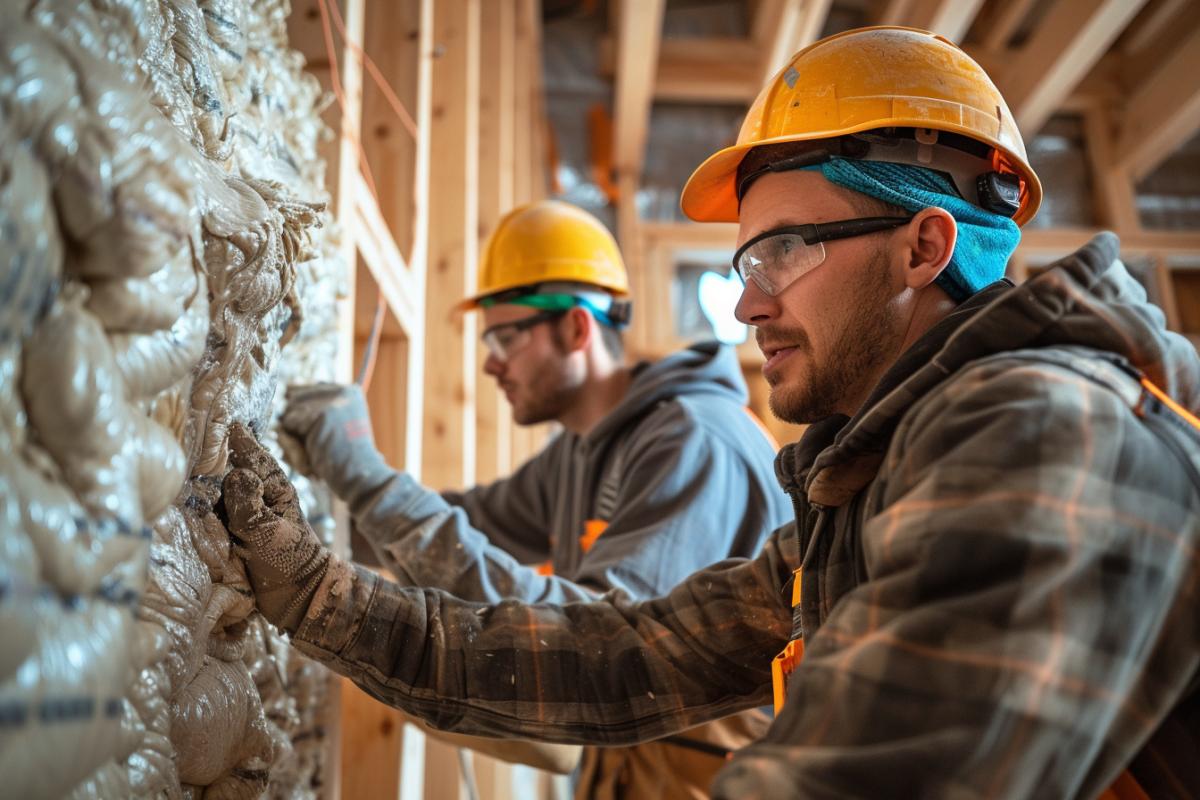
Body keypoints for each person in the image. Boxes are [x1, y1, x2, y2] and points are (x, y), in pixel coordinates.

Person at [224, 27, 1200, 798]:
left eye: (782, 253)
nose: (746, 305)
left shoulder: (1053, 433)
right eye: (746, 262)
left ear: (923, 247)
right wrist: (317, 596)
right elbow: (620, 656)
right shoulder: (860, 490)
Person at [278, 199, 790, 797]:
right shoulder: (579, 449)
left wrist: (368, 480)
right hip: (639, 771)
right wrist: (312, 507)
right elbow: (468, 524)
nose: (491, 364)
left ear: (576, 328)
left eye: (505, 337)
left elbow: (597, 646)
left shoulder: (693, 443)